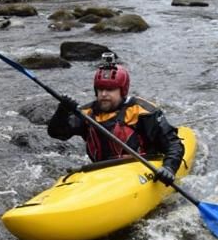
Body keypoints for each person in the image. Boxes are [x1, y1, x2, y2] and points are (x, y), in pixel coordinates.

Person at [47, 52, 184, 186]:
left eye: (110, 90)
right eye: (100, 89)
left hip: (140, 167)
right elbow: (57, 133)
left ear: (122, 91)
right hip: (101, 172)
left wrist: (169, 168)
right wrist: (62, 111)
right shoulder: (87, 113)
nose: (104, 94)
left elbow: (173, 144)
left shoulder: (142, 112)